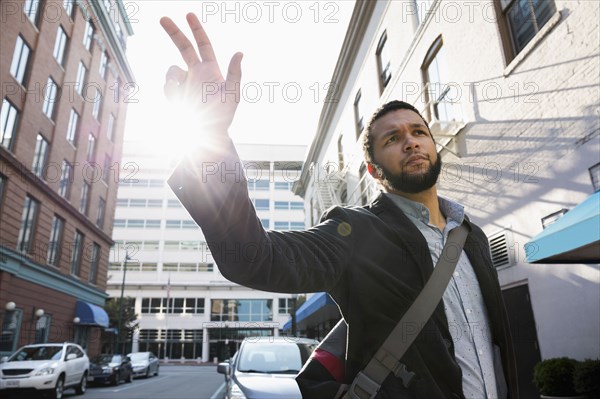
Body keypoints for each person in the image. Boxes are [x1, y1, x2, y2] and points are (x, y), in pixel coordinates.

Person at [160, 13, 518, 399]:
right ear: (373, 170)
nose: (412, 142)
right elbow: (255, 258)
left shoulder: (471, 237)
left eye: (419, 132)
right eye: (393, 138)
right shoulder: (354, 232)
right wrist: (211, 135)